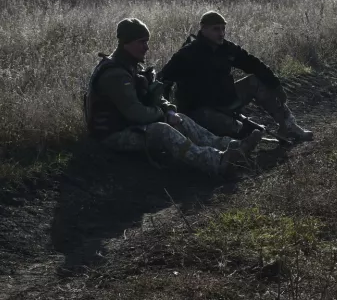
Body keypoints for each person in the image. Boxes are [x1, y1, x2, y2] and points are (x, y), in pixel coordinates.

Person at [85, 18, 262, 178]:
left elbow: (156, 97)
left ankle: (233, 147)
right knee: (162, 131)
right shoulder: (116, 74)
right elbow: (135, 113)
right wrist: (162, 115)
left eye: (146, 42)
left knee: (181, 120)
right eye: (141, 42)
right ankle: (217, 162)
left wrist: (169, 109)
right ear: (126, 43)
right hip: (112, 135)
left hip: (130, 126)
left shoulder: (131, 67)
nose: (146, 47)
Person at [157, 10, 313, 142]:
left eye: (223, 29)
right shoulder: (187, 54)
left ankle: (289, 127)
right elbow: (163, 80)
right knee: (243, 133)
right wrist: (168, 112)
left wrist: (276, 85)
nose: (221, 33)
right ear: (203, 30)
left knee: (254, 81)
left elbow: (253, 63)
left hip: (226, 100)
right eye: (216, 29)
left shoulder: (227, 48)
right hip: (200, 110)